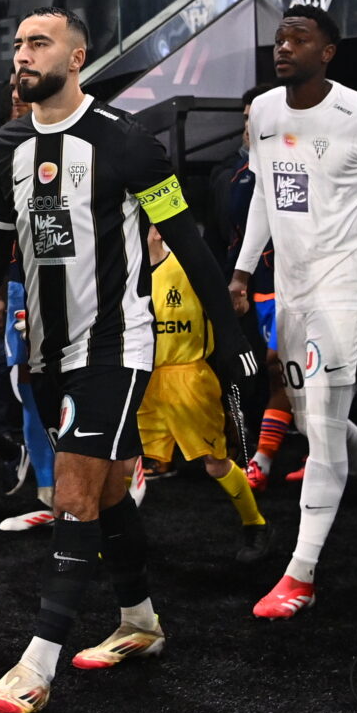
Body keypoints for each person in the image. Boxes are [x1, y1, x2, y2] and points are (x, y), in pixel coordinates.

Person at [0, 10, 252, 713]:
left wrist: (230, 336)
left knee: (72, 493)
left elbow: (188, 241)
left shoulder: (126, 141)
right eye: (18, 43)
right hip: (46, 352)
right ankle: (140, 622)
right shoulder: (6, 148)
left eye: (38, 42)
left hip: (116, 345)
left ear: (77, 57)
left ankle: (37, 664)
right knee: (107, 495)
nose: (22, 54)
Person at [231, 5, 357, 620]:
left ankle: (301, 574)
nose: (283, 47)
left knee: (321, 420)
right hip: (292, 290)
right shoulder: (265, 111)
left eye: (299, 38)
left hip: (349, 289)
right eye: (279, 38)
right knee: (316, 421)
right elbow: (265, 194)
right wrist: (243, 269)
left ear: (328, 52)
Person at [138, 223, 271, 561]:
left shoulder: (190, 266)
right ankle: (110, 539)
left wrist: (236, 313)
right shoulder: (128, 271)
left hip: (189, 377)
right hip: (143, 380)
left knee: (215, 463)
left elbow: (226, 308)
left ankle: (255, 524)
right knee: (125, 465)